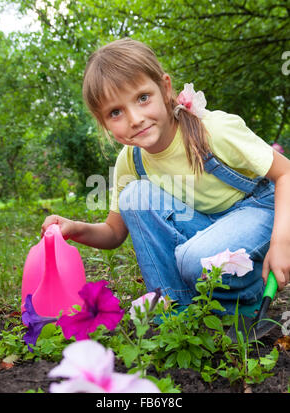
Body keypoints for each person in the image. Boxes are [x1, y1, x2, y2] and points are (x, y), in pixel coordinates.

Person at [41, 38, 290, 315]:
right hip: (210, 230)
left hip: (260, 211)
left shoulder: (213, 131)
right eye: (115, 112)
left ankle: (244, 300)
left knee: (196, 259)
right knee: (135, 196)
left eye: (143, 98)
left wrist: (282, 242)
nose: (134, 118)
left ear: (165, 88)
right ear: (104, 123)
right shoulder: (131, 159)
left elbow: (286, 173)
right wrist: (75, 228)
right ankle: (175, 312)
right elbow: (113, 233)